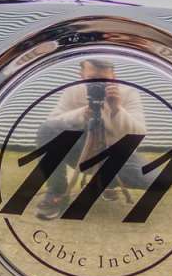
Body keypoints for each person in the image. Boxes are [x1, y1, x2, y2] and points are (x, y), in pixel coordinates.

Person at [34, 59, 147, 220]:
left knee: (151, 179)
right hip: (82, 152)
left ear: (114, 77)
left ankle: (107, 182)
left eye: (104, 80)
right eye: (92, 79)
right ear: (81, 76)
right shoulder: (73, 91)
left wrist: (116, 110)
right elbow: (51, 125)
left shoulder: (128, 92)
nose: (98, 85)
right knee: (47, 129)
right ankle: (57, 191)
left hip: (115, 155)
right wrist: (81, 114)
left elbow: (139, 133)